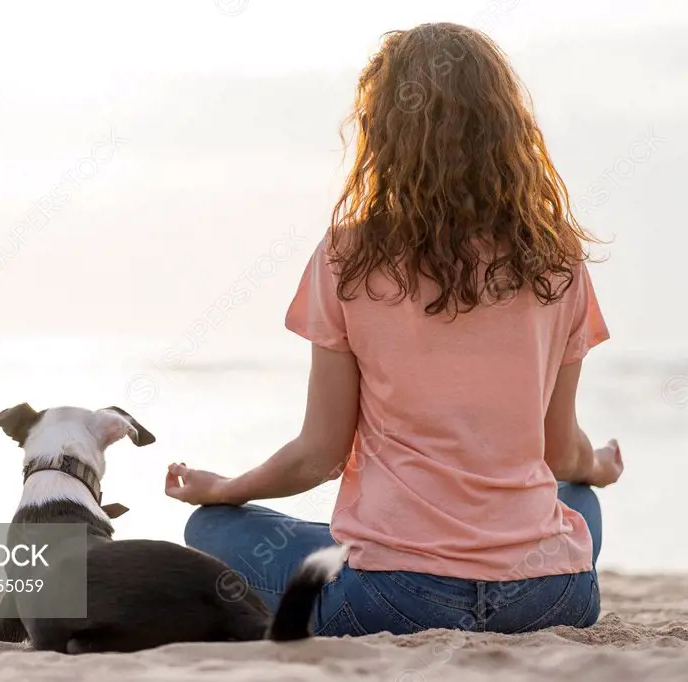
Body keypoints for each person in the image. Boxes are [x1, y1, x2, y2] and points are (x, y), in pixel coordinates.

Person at [164, 22, 622, 636]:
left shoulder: (348, 255)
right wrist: (597, 466)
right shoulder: (556, 259)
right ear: (506, 129)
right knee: (580, 499)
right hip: (549, 596)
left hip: (395, 599)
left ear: (382, 129)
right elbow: (559, 450)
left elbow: (320, 455)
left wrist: (226, 487)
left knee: (212, 528)